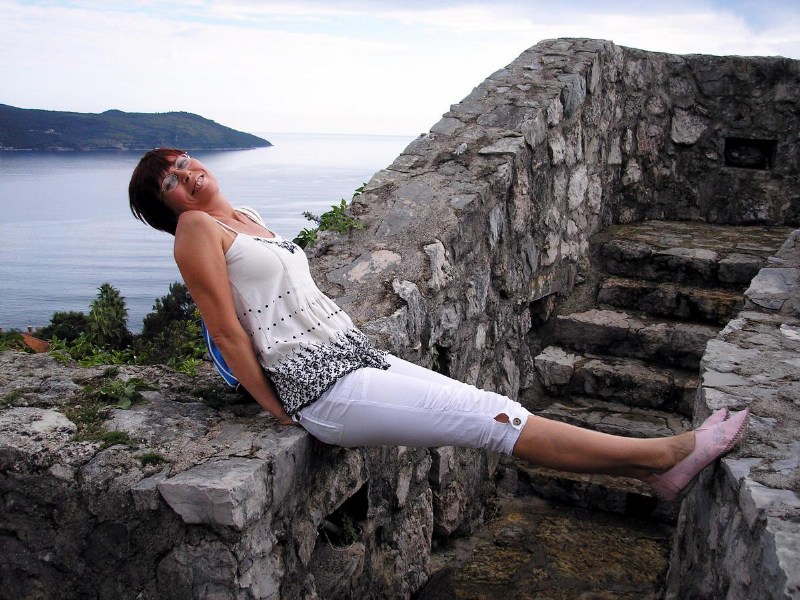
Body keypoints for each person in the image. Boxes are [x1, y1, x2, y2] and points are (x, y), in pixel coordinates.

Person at [128, 148, 750, 502]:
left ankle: (653, 471)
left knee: (499, 410)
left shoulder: (245, 215)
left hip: (354, 356)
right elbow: (226, 330)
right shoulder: (195, 230)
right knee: (492, 420)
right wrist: (277, 406)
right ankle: (664, 454)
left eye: (182, 162)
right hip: (319, 387)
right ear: (167, 207)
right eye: (170, 182)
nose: (186, 174)